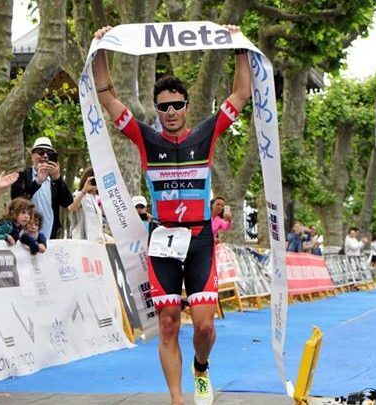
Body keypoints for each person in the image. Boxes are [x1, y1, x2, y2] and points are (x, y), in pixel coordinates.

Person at [92, 24, 251, 405]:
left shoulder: (206, 134)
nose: (171, 112)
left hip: (199, 242)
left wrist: (239, 45)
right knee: (167, 324)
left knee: (205, 327)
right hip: (163, 241)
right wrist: (99, 49)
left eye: (177, 105)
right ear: (157, 110)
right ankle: (178, 399)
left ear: (186, 106)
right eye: (163, 106)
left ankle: (201, 366)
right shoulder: (146, 138)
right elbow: (106, 97)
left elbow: (242, 93)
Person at [11, 137, 73, 239]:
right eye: (41, 152)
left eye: (49, 153)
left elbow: (67, 202)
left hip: (49, 234)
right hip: (24, 234)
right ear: (32, 155)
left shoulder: (54, 180)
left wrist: (58, 179)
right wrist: (37, 182)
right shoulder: (21, 176)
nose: (45, 156)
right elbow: (16, 201)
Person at [68, 167, 106, 241]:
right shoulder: (79, 194)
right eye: (94, 180)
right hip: (82, 242)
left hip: (97, 242)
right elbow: (71, 207)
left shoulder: (95, 199)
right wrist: (84, 190)